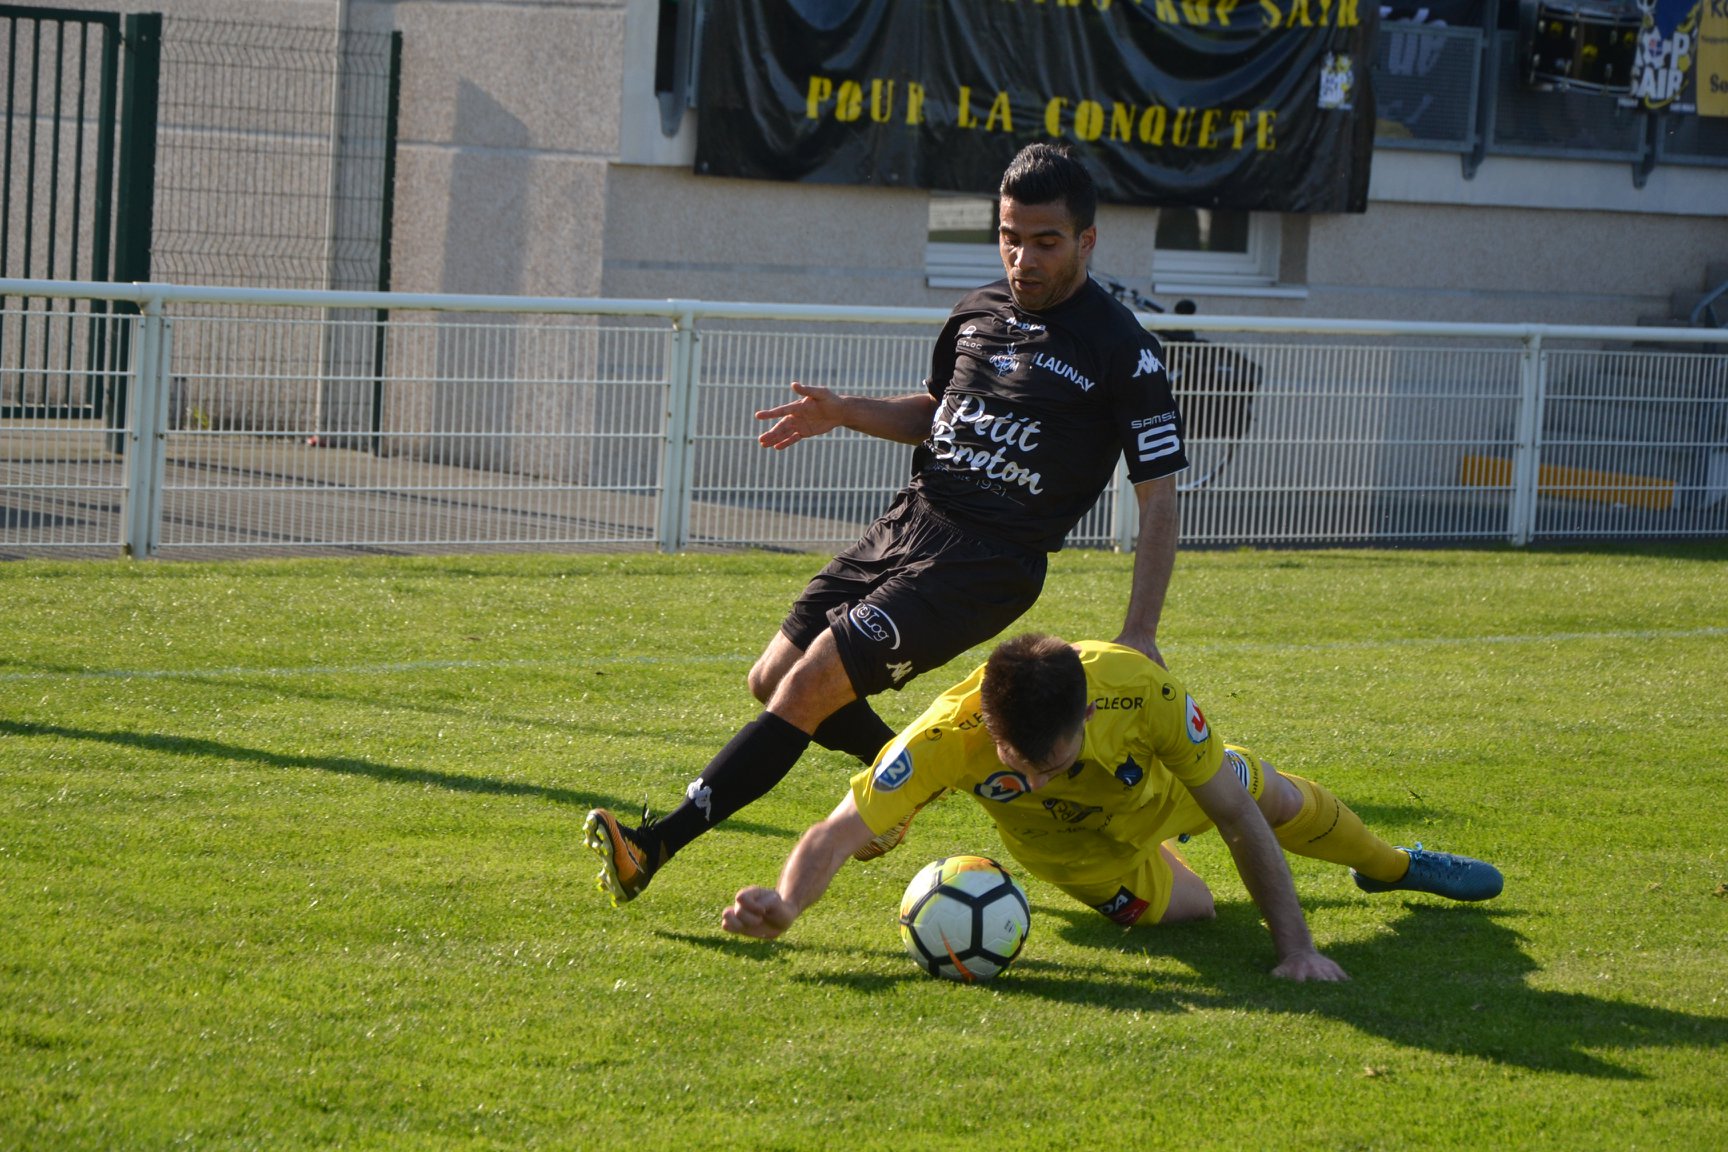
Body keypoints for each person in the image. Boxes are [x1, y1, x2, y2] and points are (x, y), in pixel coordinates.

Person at [585, 143, 1192, 906]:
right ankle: (902, 785)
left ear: (1087, 242)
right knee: (770, 677)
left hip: (986, 562)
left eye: (1046, 242)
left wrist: (1140, 632)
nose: (1023, 258)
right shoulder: (975, 313)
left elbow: (1159, 494)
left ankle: (654, 843)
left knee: (806, 688)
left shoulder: (1124, 352)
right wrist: (844, 413)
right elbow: (937, 413)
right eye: (1010, 237)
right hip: (910, 521)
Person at [721, 634, 1503, 981]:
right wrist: (787, 903)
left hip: (1163, 792)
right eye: (1011, 768)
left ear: (1089, 716)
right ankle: (1154, 876)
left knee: (1261, 794)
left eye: (1048, 764)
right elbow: (836, 831)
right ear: (988, 726)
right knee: (1196, 917)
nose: (1026, 782)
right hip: (1073, 854)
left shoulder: (1139, 689)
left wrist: (1295, 948)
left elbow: (1234, 818)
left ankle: (1394, 867)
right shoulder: (941, 740)